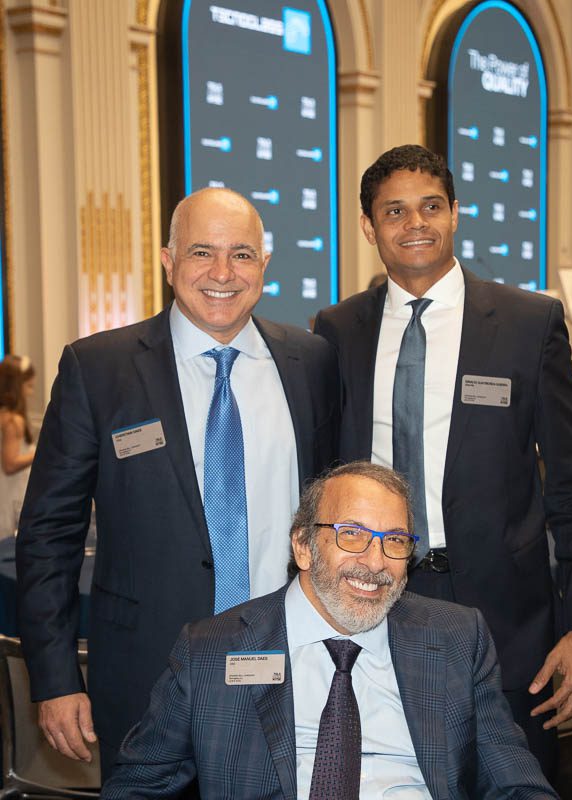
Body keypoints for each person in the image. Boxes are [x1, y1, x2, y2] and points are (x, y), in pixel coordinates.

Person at [16, 187, 340, 780]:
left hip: (293, 668)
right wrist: (56, 678)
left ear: (264, 265)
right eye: (201, 252)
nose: (222, 273)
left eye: (242, 254)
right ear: (168, 261)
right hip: (147, 671)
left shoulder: (312, 362)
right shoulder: (100, 369)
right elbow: (49, 535)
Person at [313, 144, 572, 778]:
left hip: (508, 621)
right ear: (368, 226)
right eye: (394, 211)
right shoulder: (339, 330)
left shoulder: (529, 323)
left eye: (430, 207)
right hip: (377, 601)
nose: (414, 223)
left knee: (514, 781)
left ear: (455, 213)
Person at [100, 461, 558, 799]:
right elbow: (136, 787)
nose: (375, 562)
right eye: (351, 534)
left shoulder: (456, 638)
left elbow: (514, 782)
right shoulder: (211, 651)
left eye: (395, 541)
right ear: (303, 545)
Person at [0, 355, 36, 538]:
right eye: (29, 386)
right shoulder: (13, 421)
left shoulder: (4, 415)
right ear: (17, 386)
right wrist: (39, 453)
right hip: (11, 495)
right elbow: (10, 464)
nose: (31, 393)